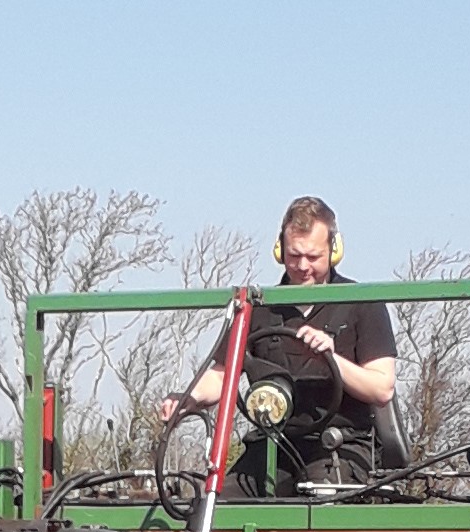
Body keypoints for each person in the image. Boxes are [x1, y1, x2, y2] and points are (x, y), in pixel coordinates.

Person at [167, 196, 400, 479]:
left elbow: (381, 388)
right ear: (279, 250)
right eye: (294, 255)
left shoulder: (362, 303)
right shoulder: (257, 307)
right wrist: (188, 399)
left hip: (342, 445)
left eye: (313, 257)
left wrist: (332, 360)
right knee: (222, 500)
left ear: (334, 250)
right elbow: (221, 375)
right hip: (272, 444)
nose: (302, 266)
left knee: (320, 498)